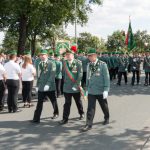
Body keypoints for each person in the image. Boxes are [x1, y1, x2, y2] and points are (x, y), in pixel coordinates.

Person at [82, 48, 110, 131]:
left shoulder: (102, 64)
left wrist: (106, 89)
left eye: (91, 56)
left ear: (95, 55)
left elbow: (106, 78)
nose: (89, 57)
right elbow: (87, 78)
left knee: (104, 106)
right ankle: (88, 124)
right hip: (91, 90)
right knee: (90, 108)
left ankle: (107, 117)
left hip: (100, 90)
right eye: (88, 56)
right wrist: (86, 89)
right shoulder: (88, 65)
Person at [31, 49, 59, 124]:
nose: (42, 56)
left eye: (43, 55)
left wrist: (48, 84)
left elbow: (52, 75)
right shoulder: (39, 64)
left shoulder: (51, 63)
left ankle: (56, 113)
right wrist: (37, 85)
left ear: (47, 56)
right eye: (41, 55)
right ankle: (36, 118)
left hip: (50, 86)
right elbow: (39, 75)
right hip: (41, 86)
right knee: (39, 102)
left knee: (53, 101)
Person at [59, 46, 85, 125]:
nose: (68, 56)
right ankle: (65, 118)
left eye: (69, 55)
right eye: (67, 55)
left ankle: (81, 113)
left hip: (75, 86)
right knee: (67, 103)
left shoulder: (78, 63)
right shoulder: (64, 63)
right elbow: (63, 73)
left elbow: (80, 74)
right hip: (67, 87)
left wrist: (77, 84)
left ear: (73, 55)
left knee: (78, 101)